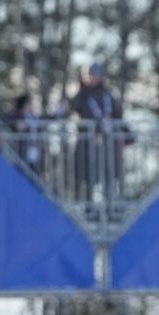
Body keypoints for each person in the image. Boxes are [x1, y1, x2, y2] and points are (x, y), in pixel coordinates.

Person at [69, 63, 127, 210]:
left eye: (94, 75)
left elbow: (118, 114)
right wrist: (82, 90)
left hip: (107, 144)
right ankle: (90, 210)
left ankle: (109, 210)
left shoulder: (107, 95)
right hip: (88, 144)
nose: (91, 78)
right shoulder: (83, 94)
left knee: (109, 176)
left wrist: (126, 134)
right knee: (88, 177)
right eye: (89, 75)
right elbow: (73, 106)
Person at [4, 94, 46, 175]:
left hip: (34, 150)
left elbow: (39, 130)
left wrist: (40, 146)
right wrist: (20, 125)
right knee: (22, 172)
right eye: (29, 103)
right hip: (22, 150)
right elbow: (16, 126)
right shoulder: (16, 115)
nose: (31, 105)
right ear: (24, 104)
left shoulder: (33, 116)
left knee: (34, 173)